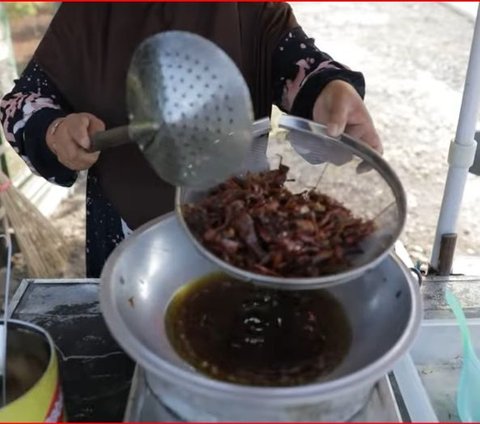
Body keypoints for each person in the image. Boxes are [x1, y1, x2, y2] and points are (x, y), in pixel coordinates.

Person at [0, 3, 381, 278]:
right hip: (126, 231)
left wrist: (329, 90)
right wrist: (53, 132)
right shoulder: (90, 12)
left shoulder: (250, 9)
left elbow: (301, 65)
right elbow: (21, 103)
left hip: (243, 223)